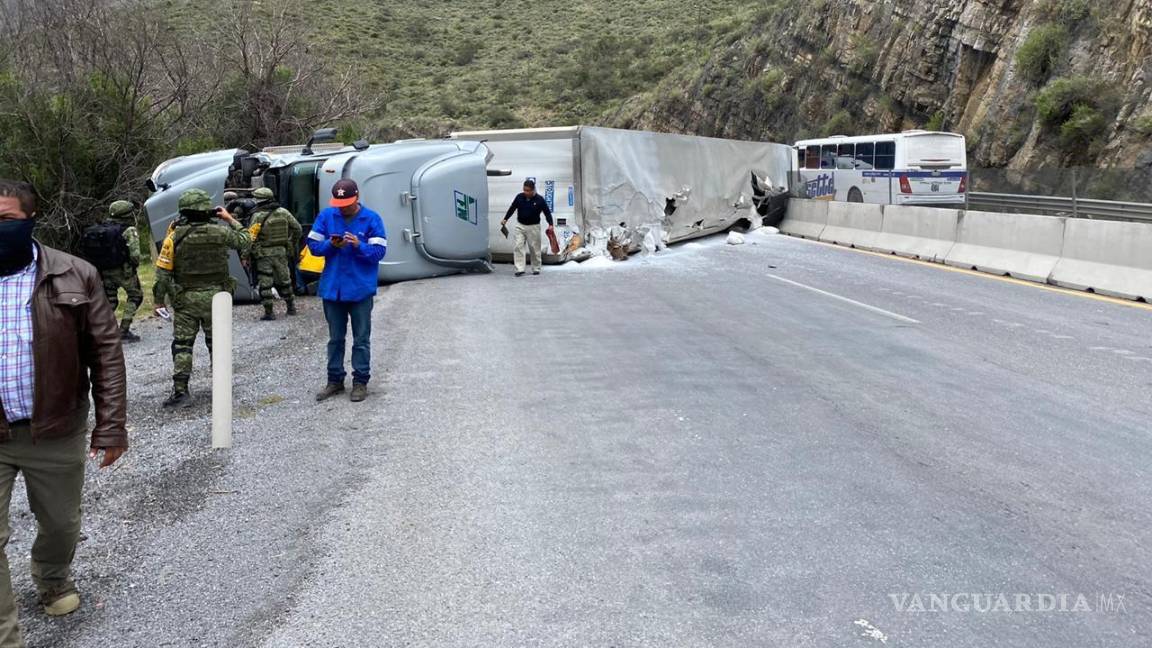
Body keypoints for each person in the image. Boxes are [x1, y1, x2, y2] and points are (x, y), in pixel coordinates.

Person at [0, 179, 127, 646]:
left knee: (60, 524)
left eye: (5, 220)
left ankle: (52, 577)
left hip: (54, 430)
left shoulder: (75, 274)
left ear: (31, 220)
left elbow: (106, 353)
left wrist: (111, 427)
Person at [153, 189, 251, 408]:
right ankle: (222, 387)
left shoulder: (174, 237)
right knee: (217, 343)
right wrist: (229, 218)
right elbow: (246, 241)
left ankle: (181, 392)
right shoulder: (220, 232)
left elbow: (162, 273)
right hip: (218, 298)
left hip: (186, 299)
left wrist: (159, 301)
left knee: (182, 345)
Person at [307, 179, 387, 403]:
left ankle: (360, 381)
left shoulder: (372, 219)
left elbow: (379, 252)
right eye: (340, 203)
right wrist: (331, 245)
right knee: (335, 338)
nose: (343, 207)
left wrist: (358, 246)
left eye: (348, 203)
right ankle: (334, 380)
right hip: (333, 289)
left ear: (357, 197)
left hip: (360, 289)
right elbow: (313, 247)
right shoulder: (326, 216)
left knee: (361, 338)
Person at [78, 200, 145, 342]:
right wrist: (132, 266)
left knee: (111, 301)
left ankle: (96, 331)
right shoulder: (128, 230)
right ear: (126, 214)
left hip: (104, 271)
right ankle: (124, 331)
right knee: (135, 297)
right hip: (124, 271)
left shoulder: (103, 228)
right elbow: (135, 255)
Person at [246, 187, 301, 321]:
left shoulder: (257, 216)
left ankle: (269, 312)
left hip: (263, 254)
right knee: (285, 280)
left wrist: (245, 255)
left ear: (259, 200)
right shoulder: (283, 212)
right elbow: (298, 229)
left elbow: (250, 237)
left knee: (265, 282)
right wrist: (290, 243)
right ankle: (291, 307)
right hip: (281, 252)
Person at [500, 179, 554, 276]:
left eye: (528, 190)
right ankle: (519, 269)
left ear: (533, 190)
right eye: (524, 190)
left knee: (534, 248)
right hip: (520, 225)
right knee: (518, 246)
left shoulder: (540, 200)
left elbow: (547, 212)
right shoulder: (519, 197)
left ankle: (536, 268)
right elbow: (512, 208)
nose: (526, 192)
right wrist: (505, 219)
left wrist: (550, 224)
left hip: (534, 227)